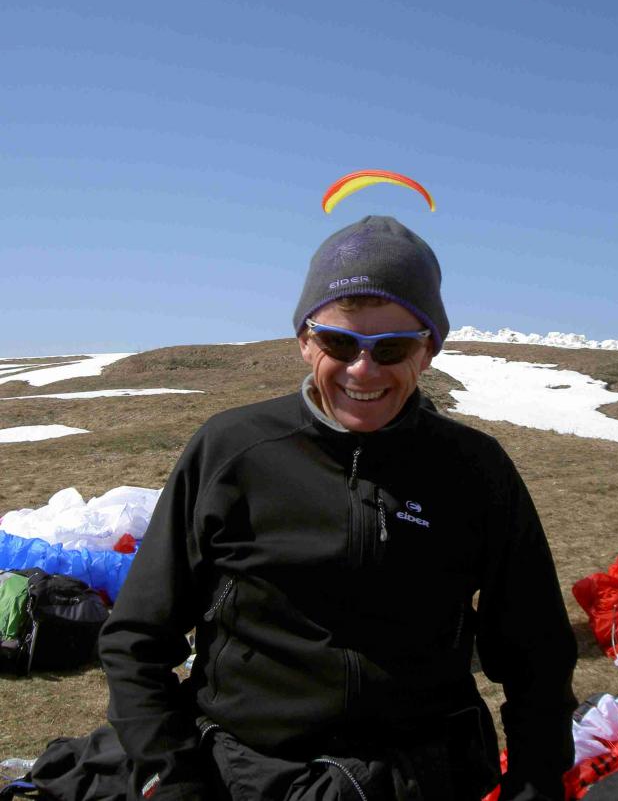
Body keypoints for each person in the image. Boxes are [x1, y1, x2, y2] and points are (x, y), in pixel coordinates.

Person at [100, 215, 577, 801]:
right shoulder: (232, 452)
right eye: (340, 342)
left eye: (392, 347)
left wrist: (536, 781)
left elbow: (537, 653)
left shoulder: (477, 470)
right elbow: (136, 639)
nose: (362, 370)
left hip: (427, 778)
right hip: (252, 774)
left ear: (428, 351)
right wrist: (168, 778)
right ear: (306, 340)